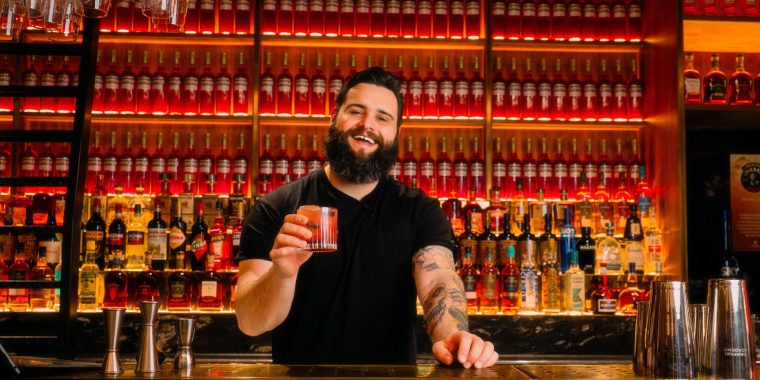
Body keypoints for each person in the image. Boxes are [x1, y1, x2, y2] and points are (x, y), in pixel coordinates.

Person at [235, 67, 498, 368]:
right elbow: (249, 322)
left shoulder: (419, 211)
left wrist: (455, 336)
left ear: (396, 133)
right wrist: (282, 274)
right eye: (356, 111)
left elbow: (438, 281)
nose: (366, 124)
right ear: (333, 119)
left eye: (382, 118)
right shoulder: (277, 207)